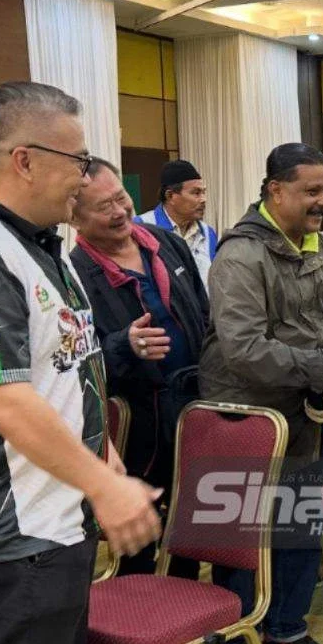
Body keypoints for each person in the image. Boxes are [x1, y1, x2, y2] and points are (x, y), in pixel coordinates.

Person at [0, 81, 161, 644]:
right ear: (24, 160)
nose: (85, 176)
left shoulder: (45, 248)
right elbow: (4, 400)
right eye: (78, 160)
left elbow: (66, 371)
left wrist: (103, 457)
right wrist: (105, 484)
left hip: (60, 518)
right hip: (18, 535)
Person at [199, 142, 323, 644]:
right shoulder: (240, 255)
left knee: (299, 522)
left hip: (306, 415)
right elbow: (246, 350)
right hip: (247, 416)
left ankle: (286, 633)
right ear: (275, 190)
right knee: (245, 534)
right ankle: (237, 640)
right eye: (311, 191)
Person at [70, 157, 210, 576]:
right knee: (141, 529)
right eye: (103, 207)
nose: (118, 212)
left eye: (121, 198)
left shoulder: (165, 243)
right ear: (73, 218)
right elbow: (78, 365)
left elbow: (203, 312)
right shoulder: (75, 274)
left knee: (195, 513)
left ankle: (185, 601)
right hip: (140, 419)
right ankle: (140, 612)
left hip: (197, 400)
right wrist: (123, 345)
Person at [136, 159, 217, 289]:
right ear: (170, 196)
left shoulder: (208, 233)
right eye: (196, 193)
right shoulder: (143, 228)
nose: (203, 199)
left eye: (203, 192)